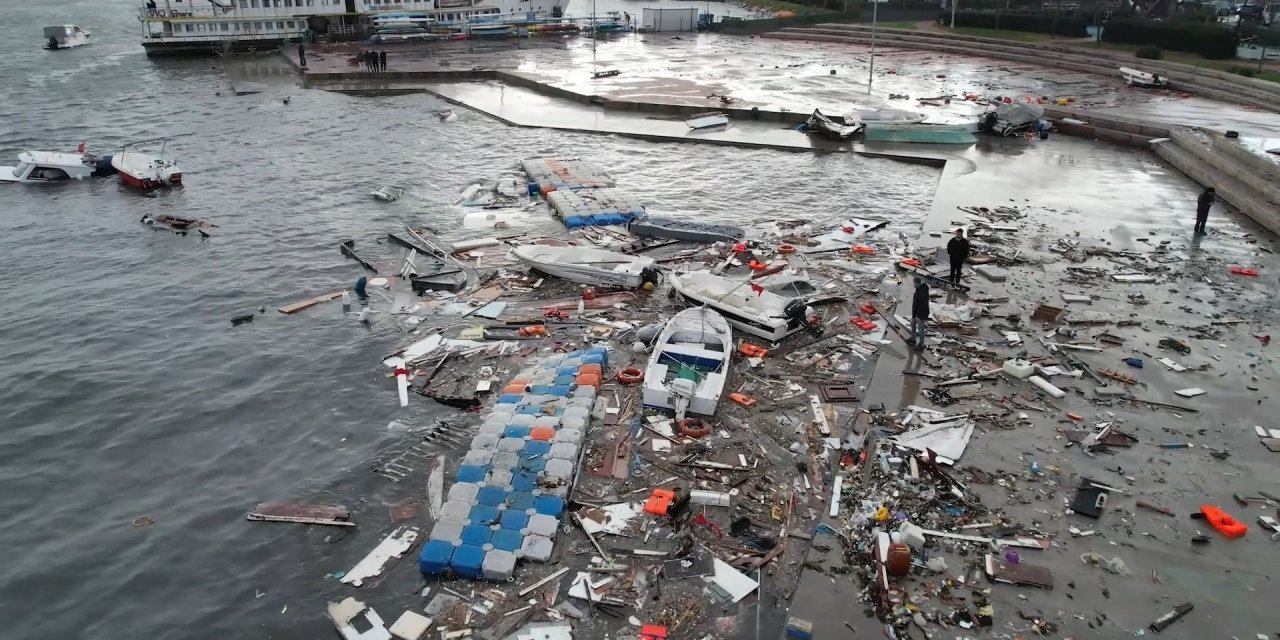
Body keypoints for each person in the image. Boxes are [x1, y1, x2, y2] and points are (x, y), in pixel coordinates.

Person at [911, 275, 930, 349]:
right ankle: (913, 339)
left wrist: (918, 315)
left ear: (917, 283)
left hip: (921, 314)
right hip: (916, 312)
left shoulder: (921, 293)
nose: (914, 285)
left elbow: (921, 305)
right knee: (912, 324)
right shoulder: (920, 288)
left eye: (914, 283)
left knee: (920, 329)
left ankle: (921, 344)